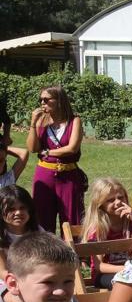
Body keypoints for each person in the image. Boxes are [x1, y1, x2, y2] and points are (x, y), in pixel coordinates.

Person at [26, 86, 85, 233]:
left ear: (59, 100)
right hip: (45, 173)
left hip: (69, 174)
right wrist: (33, 123)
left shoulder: (74, 121)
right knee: (42, 216)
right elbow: (32, 148)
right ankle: (46, 254)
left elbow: (72, 148)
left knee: (73, 217)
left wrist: (47, 151)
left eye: (46, 100)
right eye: (40, 100)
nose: (42, 103)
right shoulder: (41, 122)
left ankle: (75, 253)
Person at [82, 178, 132, 289]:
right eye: (111, 200)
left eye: (121, 197)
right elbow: (99, 266)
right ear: (101, 205)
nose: (118, 202)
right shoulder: (99, 230)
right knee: (127, 283)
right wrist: (127, 269)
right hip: (104, 275)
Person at [0, 186, 40, 277]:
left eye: (22, 208)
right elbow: (2, 272)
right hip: (8, 281)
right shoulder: (1, 237)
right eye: (11, 209)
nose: (18, 212)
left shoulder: (37, 231)